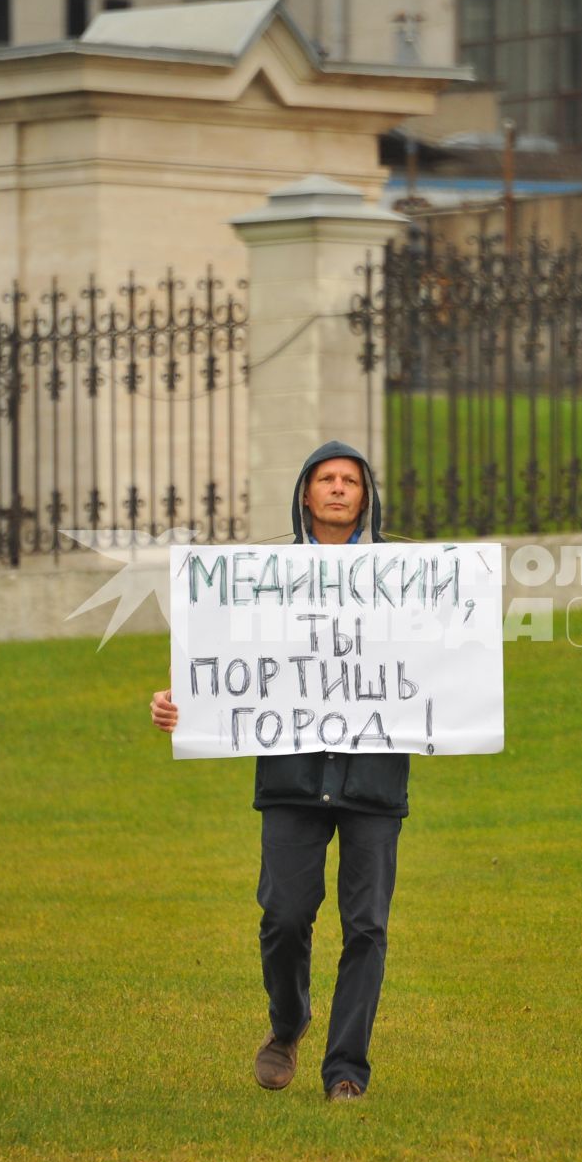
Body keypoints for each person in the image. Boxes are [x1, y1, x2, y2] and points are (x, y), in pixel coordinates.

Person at [150, 440, 410, 1104]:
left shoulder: (405, 574)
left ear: (366, 495)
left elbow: (440, 660)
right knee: (285, 915)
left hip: (372, 775)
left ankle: (346, 1069)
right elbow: (229, 655)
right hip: (292, 772)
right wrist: (180, 702)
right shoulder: (263, 573)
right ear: (304, 492)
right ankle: (288, 1020)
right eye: (326, 478)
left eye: (350, 479)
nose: (338, 488)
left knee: (367, 926)